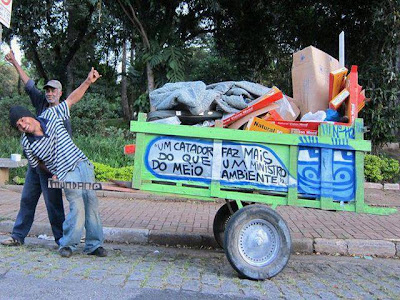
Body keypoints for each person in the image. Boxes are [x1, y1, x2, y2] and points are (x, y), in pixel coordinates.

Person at [9, 67, 107, 258]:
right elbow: (37, 165)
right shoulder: (26, 143)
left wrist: (88, 81)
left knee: (91, 201)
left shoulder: (52, 115)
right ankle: (67, 244)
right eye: (18, 126)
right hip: (65, 171)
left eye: (21, 120)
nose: (21, 125)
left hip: (81, 163)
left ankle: (94, 245)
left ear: (28, 115)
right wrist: (54, 172)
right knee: (77, 204)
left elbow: (72, 99)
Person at [1, 51, 68, 247]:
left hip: (51, 168)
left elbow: (66, 143)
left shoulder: (63, 114)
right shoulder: (40, 102)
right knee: (27, 200)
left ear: (60, 93)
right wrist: (14, 61)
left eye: (53, 91)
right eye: (47, 90)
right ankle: (17, 236)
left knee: (54, 205)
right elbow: (28, 82)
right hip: (35, 165)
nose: (49, 93)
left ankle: (61, 239)